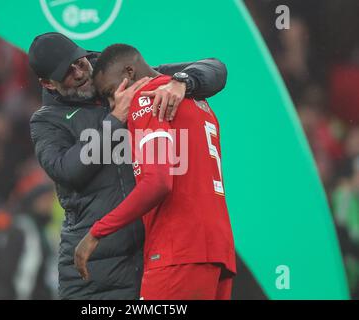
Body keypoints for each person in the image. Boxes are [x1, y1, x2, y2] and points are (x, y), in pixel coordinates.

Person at [28, 32, 228, 299]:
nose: (79, 72)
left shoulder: (120, 77)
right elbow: (68, 171)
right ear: (48, 84)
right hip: (95, 268)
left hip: (151, 255)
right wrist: (115, 119)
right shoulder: (47, 121)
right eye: (67, 72)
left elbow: (216, 68)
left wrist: (182, 82)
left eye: (80, 61)